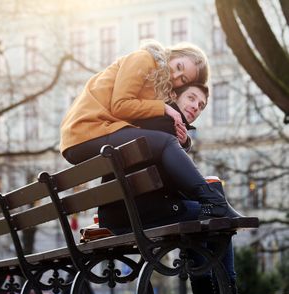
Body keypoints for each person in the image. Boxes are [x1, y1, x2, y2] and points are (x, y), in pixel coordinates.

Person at [128, 82, 273, 294]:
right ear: (174, 96)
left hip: (140, 209)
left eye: (201, 105)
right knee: (218, 217)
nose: (196, 106)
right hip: (149, 211)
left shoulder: (160, 123)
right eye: (191, 98)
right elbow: (176, 184)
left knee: (203, 211)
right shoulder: (165, 124)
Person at [60, 40, 236, 220]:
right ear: (173, 55)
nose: (175, 75)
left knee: (162, 143)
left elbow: (148, 127)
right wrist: (164, 108)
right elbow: (120, 106)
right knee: (165, 143)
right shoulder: (144, 59)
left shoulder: (156, 85)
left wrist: (185, 142)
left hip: (91, 134)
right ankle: (215, 201)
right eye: (178, 66)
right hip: (87, 130)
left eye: (183, 79)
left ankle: (213, 203)